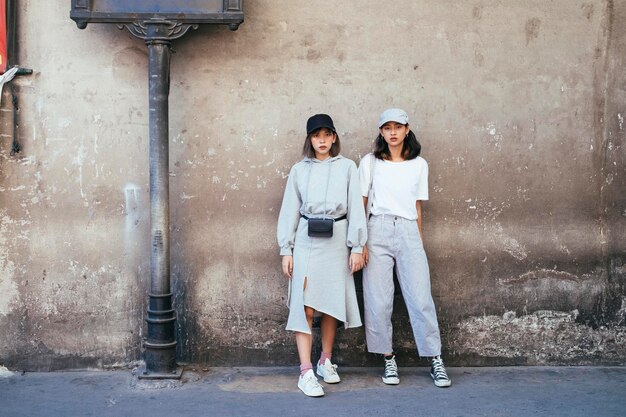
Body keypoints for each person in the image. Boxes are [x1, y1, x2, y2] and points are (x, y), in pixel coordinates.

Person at [358, 108, 451, 388]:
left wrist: (418, 242)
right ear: (381, 132)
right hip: (377, 229)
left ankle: (435, 358)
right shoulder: (370, 163)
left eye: (398, 126)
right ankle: (388, 359)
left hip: (409, 230)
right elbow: (361, 203)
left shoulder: (419, 164)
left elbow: (417, 206)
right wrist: (359, 243)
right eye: (387, 127)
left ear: (407, 129)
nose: (393, 132)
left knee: (420, 297)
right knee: (379, 299)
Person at [277, 114, 367, 397]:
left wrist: (358, 246)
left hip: (338, 238)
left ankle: (325, 360)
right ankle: (305, 372)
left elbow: (355, 207)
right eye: (317, 136)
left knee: (331, 304)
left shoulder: (348, 167)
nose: (323, 140)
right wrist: (286, 249)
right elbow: (290, 209)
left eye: (327, 134)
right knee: (305, 306)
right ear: (310, 139)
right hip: (306, 239)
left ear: (334, 137)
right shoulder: (299, 170)